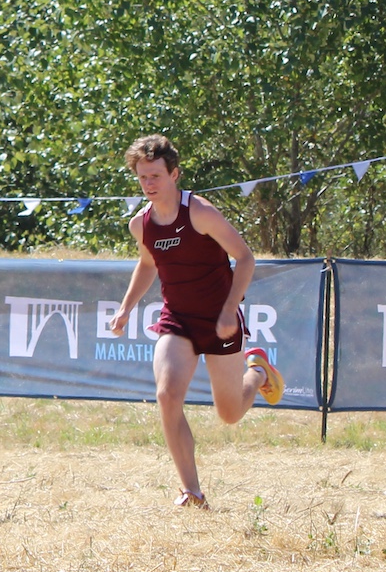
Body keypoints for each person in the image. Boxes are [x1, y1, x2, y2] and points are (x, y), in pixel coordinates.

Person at [107, 135, 284, 509]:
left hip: (220, 319)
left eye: (155, 175)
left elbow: (246, 258)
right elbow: (147, 263)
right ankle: (193, 492)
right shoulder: (140, 225)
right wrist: (125, 308)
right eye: (142, 178)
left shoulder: (200, 212)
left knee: (230, 413)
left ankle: (259, 373)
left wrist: (227, 311)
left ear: (174, 174)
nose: (149, 184)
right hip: (177, 321)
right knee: (167, 396)